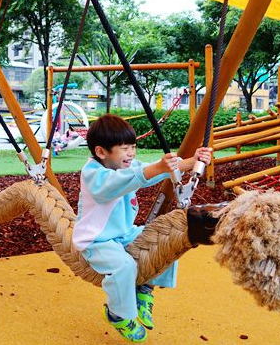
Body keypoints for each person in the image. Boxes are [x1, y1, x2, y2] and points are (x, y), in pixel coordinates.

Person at [72, 114, 212, 343]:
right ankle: (118, 315)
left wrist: (192, 161)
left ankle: (145, 289)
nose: (131, 153)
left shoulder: (126, 165)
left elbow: (150, 172)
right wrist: (155, 167)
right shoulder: (93, 174)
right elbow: (114, 186)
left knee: (166, 238)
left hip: (123, 234)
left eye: (133, 147)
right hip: (97, 240)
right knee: (124, 266)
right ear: (101, 152)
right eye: (125, 148)